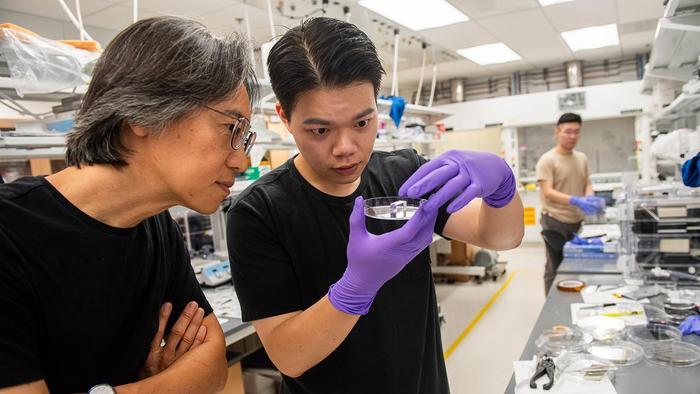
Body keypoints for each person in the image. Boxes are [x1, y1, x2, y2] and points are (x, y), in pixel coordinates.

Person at [227, 17, 524, 394]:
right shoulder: (259, 213)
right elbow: (289, 356)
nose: (345, 147)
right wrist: (356, 287)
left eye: (362, 122)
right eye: (320, 130)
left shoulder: (407, 176)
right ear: (284, 117)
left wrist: (502, 186)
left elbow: (500, 236)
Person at [0, 16, 258, 393]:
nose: (242, 161)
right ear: (143, 114)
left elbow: (213, 365)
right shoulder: (10, 234)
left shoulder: (155, 227)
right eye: (231, 129)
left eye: (245, 138)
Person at [536, 113, 603, 294]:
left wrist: (589, 197)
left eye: (576, 132)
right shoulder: (548, 160)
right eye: (568, 132)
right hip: (555, 221)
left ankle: (572, 300)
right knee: (555, 267)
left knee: (576, 265)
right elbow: (547, 191)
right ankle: (550, 308)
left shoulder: (581, 158)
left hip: (577, 221)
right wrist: (574, 199)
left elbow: (586, 183)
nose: (572, 136)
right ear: (557, 132)